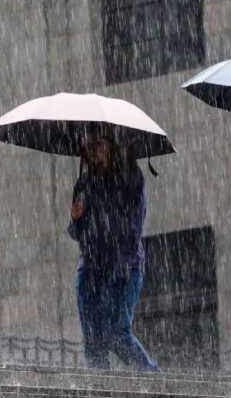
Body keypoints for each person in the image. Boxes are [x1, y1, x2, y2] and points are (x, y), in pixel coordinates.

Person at [67, 130, 159, 372]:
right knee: (93, 340)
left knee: (117, 332)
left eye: (98, 144)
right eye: (89, 146)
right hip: (90, 268)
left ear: (111, 146)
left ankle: (154, 378)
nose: (93, 150)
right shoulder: (84, 183)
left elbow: (134, 228)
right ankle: (103, 389)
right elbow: (75, 232)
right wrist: (76, 218)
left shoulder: (130, 178)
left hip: (124, 266)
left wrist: (118, 270)